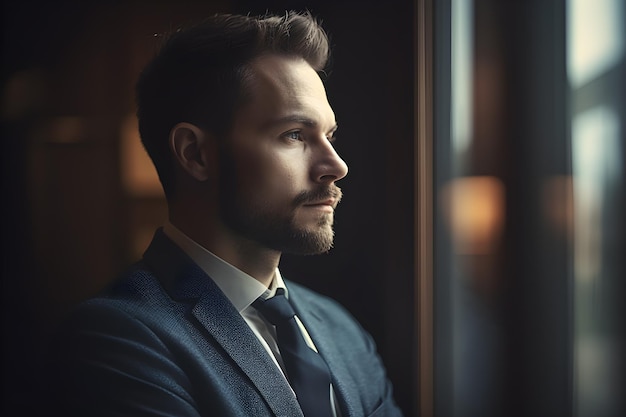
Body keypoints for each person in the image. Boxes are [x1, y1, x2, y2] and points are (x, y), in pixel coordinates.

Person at [47, 11, 403, 417]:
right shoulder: (116, 339)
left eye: (329, 135)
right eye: (294, 135)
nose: (336, 165)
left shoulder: (342, 332)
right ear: (195, 154)